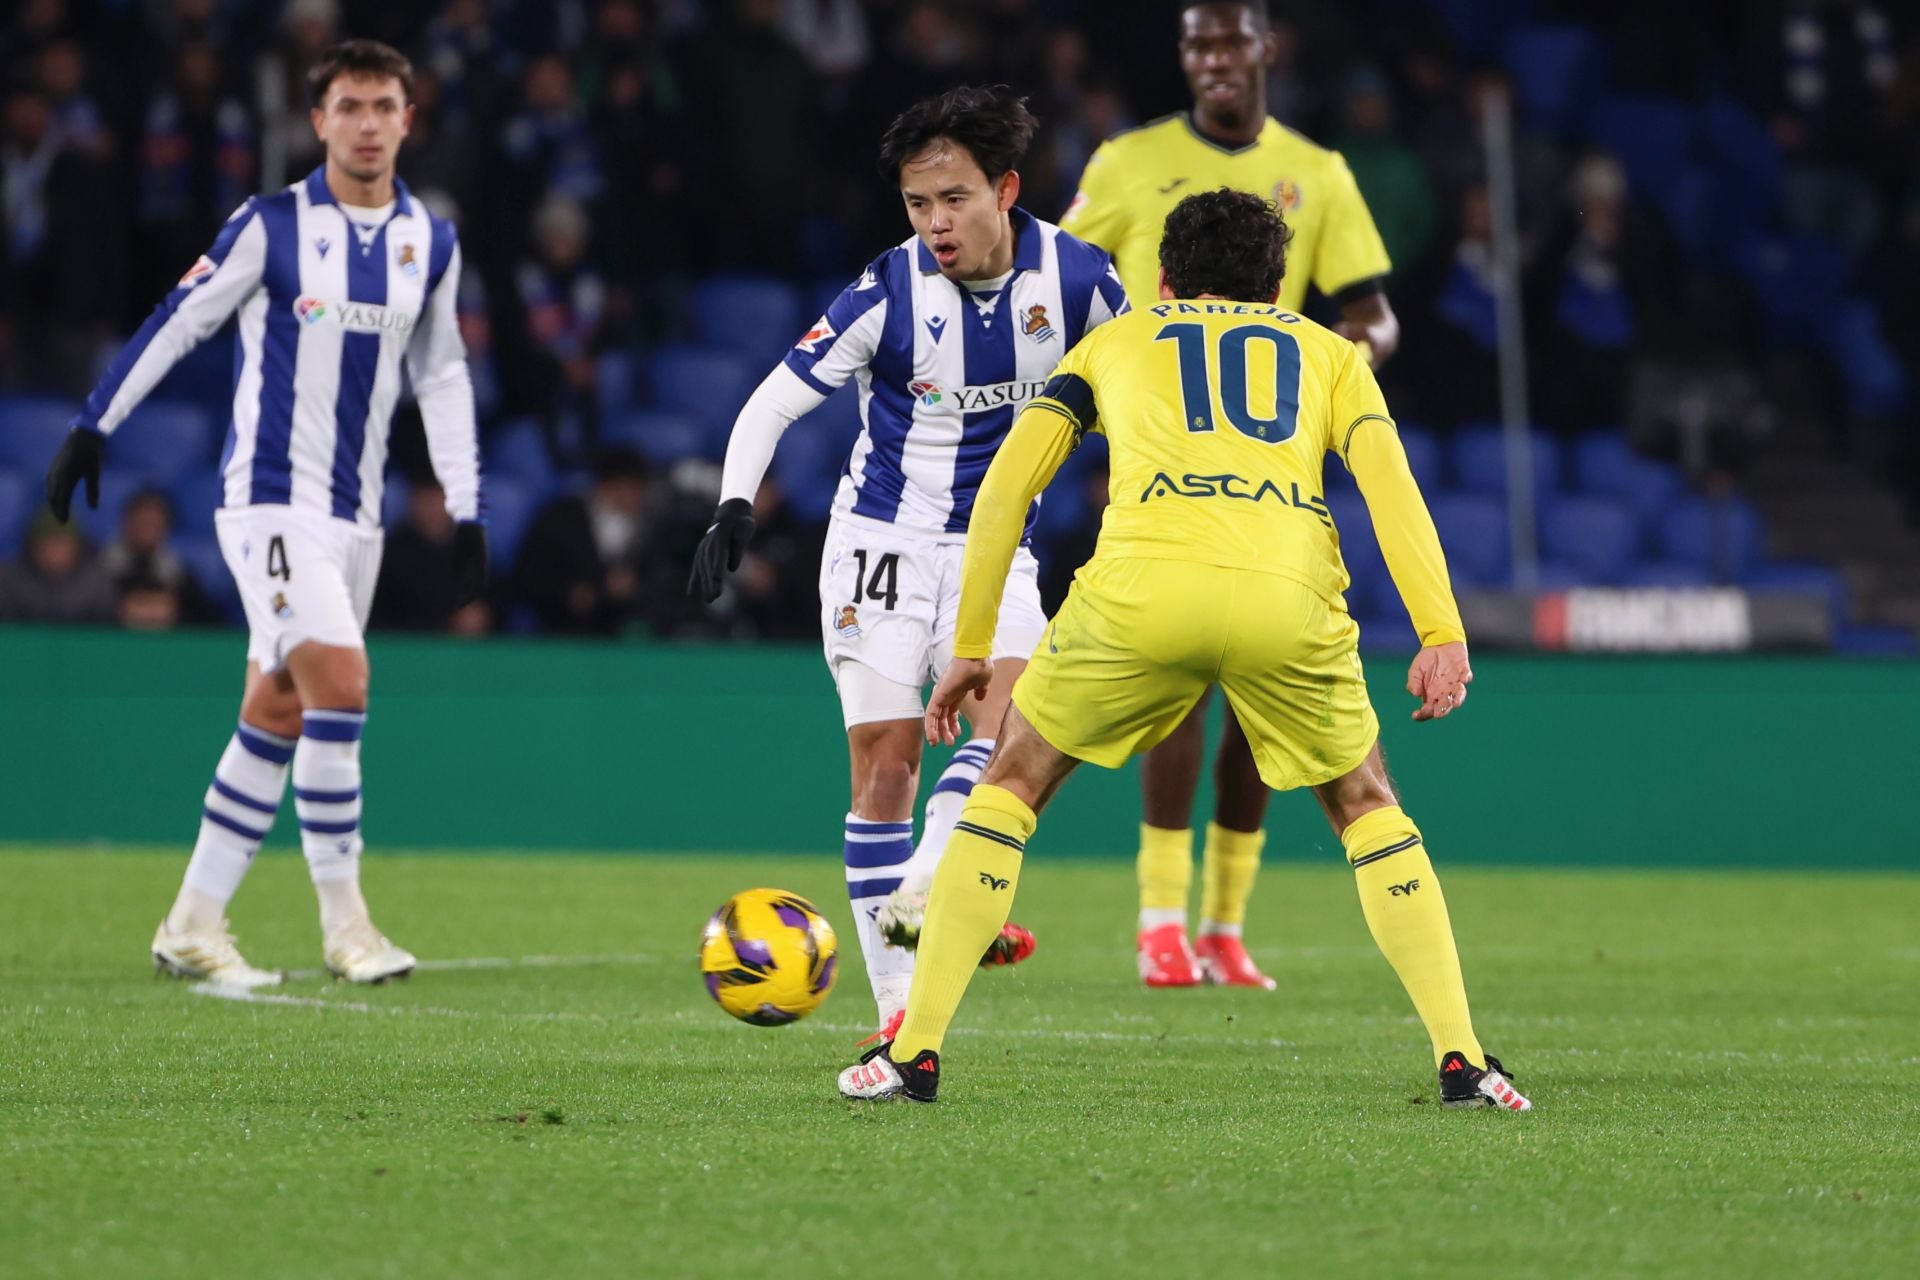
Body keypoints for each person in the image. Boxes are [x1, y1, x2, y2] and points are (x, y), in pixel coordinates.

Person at [838, 189, 1530, 1112]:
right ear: (1277, 285)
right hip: (1286, 596)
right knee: (1367, 802)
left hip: (1140, 596)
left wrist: (971, 644)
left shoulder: (1116, 342)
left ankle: (913, 1053)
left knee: (1009, 786)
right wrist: (1440, 630)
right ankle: (1464, 1059)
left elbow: (1004, 488)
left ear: (1162, 278)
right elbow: (1392, 490)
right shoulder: (1329, 355)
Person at [42, 40, 487, 988]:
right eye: (348, 106)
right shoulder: (272, 225)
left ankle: (191, 924)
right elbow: (182, 316)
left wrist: (468, 507)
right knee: (342, 685)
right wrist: (94, 423)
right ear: (315, 119)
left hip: (355, 519)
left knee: (279, 707)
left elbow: (442, 374)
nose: (367, 124)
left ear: (409, 119)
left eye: (383, 107)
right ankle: (348, 928)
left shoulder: (430, 243)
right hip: (270, 504)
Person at [689, 85, 1130, 1033]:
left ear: (1005, 189)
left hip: (994, 549)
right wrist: (734, 503)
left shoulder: (1083, 282)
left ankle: (927, 881)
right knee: (887, 767)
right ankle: (896, 1009)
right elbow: (774, 400)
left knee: (1014, 731)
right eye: (918, 203)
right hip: (879, 546)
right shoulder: (886, 289)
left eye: (955, 198)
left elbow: (1144, 389)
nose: (936, 222)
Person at [1059, 0, 1402, 991]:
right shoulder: (1125, 164)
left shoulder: (1320, 174)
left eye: (1228, 41)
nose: (1212, 58)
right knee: (1180, 675)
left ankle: (1223, 924)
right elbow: (1064, 274)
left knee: (1259, 691)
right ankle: (1160, 918)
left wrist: (1347, 359)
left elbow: (1372, 312)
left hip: (1269, 457)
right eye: (1196, 43)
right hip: (1155, 453)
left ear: (1266, 50)